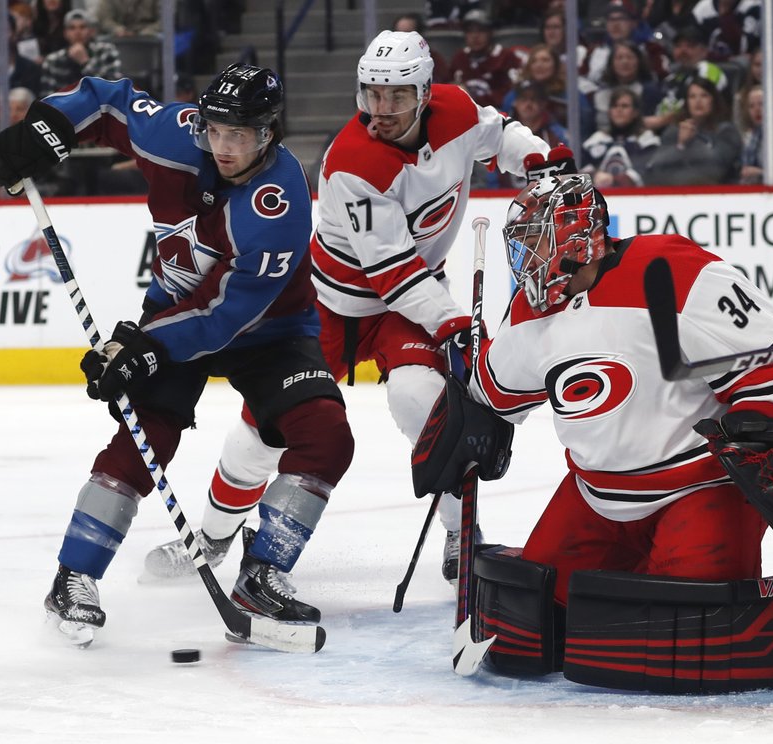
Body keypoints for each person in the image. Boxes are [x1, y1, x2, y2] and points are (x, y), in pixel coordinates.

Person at [142, 30, 568, 585]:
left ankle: (463, 533)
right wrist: (455, 325)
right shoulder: (352, 161)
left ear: (424, 91)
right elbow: (391, 272)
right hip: (329, 305)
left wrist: (542, 161)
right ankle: (215, 537)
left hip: (405, 308)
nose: (380, 109)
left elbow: (499, 133)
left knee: (425, 401)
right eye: (370, 94)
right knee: (264, 432)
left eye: (395, 96)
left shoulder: (456, 108)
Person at [0, 63, 354, 644]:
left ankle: (262, 574)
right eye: (216, 130)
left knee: (326, 434)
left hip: (270, 329)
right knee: (146, 433)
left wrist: (146, 347)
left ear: (268, 132)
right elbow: (108, 102)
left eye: (240, 135)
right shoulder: (176, 135)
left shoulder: (280, 201)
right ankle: (74, 577)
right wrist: (48, 128)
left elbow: (228, 314)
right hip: (176, 312)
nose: (224, 146)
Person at [463, 172, 773, 606]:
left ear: (575, 239)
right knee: (539, 613)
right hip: (594, 497)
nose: (525, 258)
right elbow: (495, 393)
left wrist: (765, 421)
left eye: (535, 241)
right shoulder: (528, 313)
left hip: (698, 489)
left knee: (688, 623)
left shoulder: (671, 269)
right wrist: (464, 392)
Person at [644, 76, 741, 185]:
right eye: (692, 96)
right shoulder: (674, 131)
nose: (698, 101)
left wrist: (692, 142)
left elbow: (717, 168)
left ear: (713, 100)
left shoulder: (726, 131)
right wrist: (680, 145)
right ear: (687, 102)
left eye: (704, 95)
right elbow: (655, 168)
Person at [581, 86, 660, 187]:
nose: (619, 110)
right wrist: (594, 176)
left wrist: (614, 180)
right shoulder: (596, 140)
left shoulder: (648, 140)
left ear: (635, 112)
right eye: (614, 106)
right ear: (609, 111)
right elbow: (580, 170)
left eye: (624, 106)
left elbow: (645, 172)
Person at [39, 8, 121, 97]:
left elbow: (113, 90)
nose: (77, 32)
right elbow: (47, 98)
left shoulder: (106, 51)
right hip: (65, 108)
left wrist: (85, 62)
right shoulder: (53, 60)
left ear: (90, 31)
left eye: (82, 27)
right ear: (65, 33)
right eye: (72, 28)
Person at [449, 9, 521, 109]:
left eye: (481, 30)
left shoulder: (506, 57)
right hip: (465, 113)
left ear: (490, 33)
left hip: (498, 115)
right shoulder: (459, 58)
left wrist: (471, 98)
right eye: (470, 31)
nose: (475, 36)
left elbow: (512, 93)